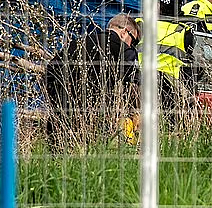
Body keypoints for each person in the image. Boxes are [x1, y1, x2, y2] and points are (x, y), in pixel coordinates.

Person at [45, 14, 141, 148]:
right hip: (93, 120)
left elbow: (50, 70)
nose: (133, 45)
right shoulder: (124, 50)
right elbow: (135, 83)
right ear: (125, 32)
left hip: (60, 116)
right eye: (134, 41)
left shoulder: (77, 42)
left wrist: (58, 100)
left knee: (57, 159)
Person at [137, 0, 197, 128]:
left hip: (140, 83)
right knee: (170, 128)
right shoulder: (184, 31)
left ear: (160, 6)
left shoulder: (141, 25)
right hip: (171, 89)